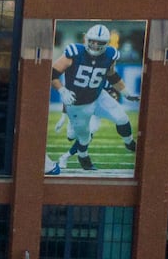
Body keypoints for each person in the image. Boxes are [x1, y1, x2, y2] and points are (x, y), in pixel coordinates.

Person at [50, 23, 138, 171]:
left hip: (99, 96)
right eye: (92, 41)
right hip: (78, 104)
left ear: (106, 43)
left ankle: (129, 142)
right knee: (84, 137)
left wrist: (126, 93)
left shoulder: (110, 54)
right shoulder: (74, 52)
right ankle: (83, 157)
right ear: (86, 39)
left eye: (100, 42)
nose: (95, 45)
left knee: (122, 118)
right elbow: (52, 74)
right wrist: (62, 90)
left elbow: (111, 75)